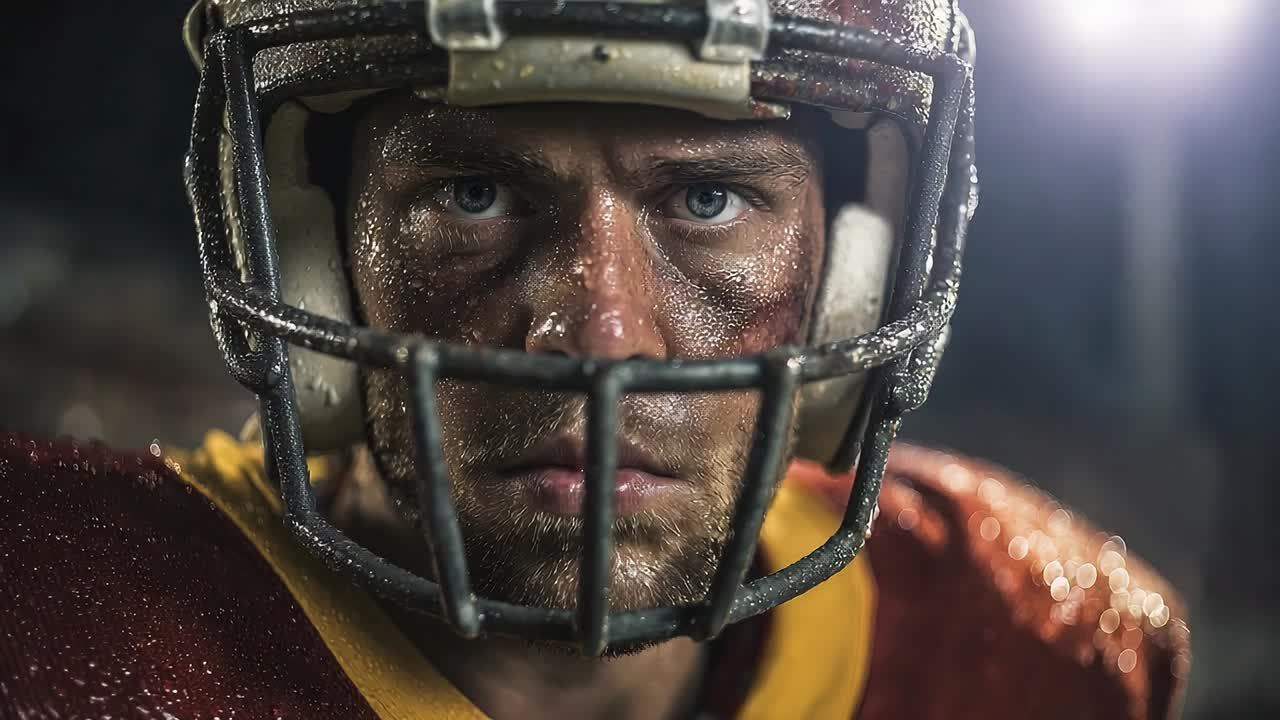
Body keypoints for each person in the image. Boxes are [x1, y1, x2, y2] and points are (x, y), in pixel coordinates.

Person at [0, 0, 1190, 717]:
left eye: (709, 197)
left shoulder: (1016, 644)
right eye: (471, 195)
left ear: (848, 284)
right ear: (313, 246)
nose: (602, 336)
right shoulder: (46, 622)